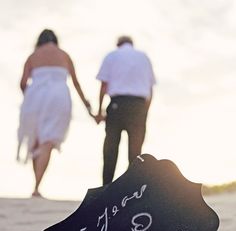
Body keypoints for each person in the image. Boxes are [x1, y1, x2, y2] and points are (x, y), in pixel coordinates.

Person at [17, 29, 92, 197]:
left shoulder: (33, 56)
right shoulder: (64, 55)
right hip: (59, 97)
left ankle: (36, 185)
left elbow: (22, 83)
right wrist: (87, 106)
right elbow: (76, 83)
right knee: (48, 141)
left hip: (35, 96)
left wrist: (29, 97)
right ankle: (37, 185)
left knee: (35, 141)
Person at [95, 35, 156, 185]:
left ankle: (106, 187)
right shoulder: (143, 57)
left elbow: (104, 85)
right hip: (138, 106)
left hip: (117, 104)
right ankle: (133, 188)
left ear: (118, 44)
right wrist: (145, 111)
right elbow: (150, 89)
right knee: (135, 152)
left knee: (110, 149)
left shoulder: (111, 56)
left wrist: (100, 111)